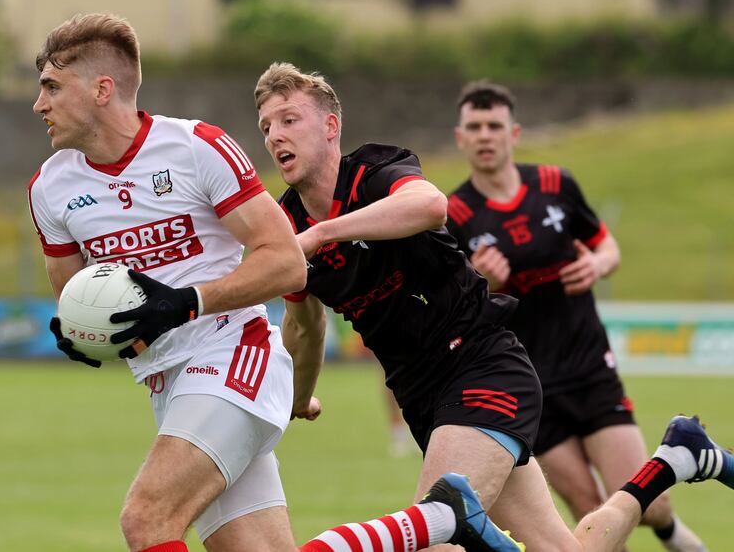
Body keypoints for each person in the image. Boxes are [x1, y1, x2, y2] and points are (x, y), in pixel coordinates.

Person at [27, 13, 525, 552]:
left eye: (52, 86)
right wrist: (76, 331)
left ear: (103, 89)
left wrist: (185, 303)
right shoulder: (50, 189)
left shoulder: (197, 147)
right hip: (166, 385)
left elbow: (286, 263)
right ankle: (440, 521)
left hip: (231, 359)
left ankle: (436, 520)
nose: (39, 104)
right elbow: (72, 294)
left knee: (145, 519)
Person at [253, 61, 734, 552]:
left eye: (289, 119)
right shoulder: (285, 222)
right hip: (424, 399)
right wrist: (298, 397)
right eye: (266, 126)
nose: (275, 136)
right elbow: (303, 325)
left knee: (435, 536)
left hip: (479, 366)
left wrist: (321, 233)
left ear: (331, 126)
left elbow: (429, 205)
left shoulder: (374, 172)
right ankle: (674, 461)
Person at [444, 80, 707, 551]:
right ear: (460, 137)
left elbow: (607, 245)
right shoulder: (455, 214)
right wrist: (479, 280)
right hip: (529, 385)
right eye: (475, 127)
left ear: (514, 133)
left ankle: (669, 531)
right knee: (592, 511)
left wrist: (598, 263)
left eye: (494, 126)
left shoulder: (555, 185)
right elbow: (452, 310)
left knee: (646, 501)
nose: (485, 136)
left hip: (590, 369)